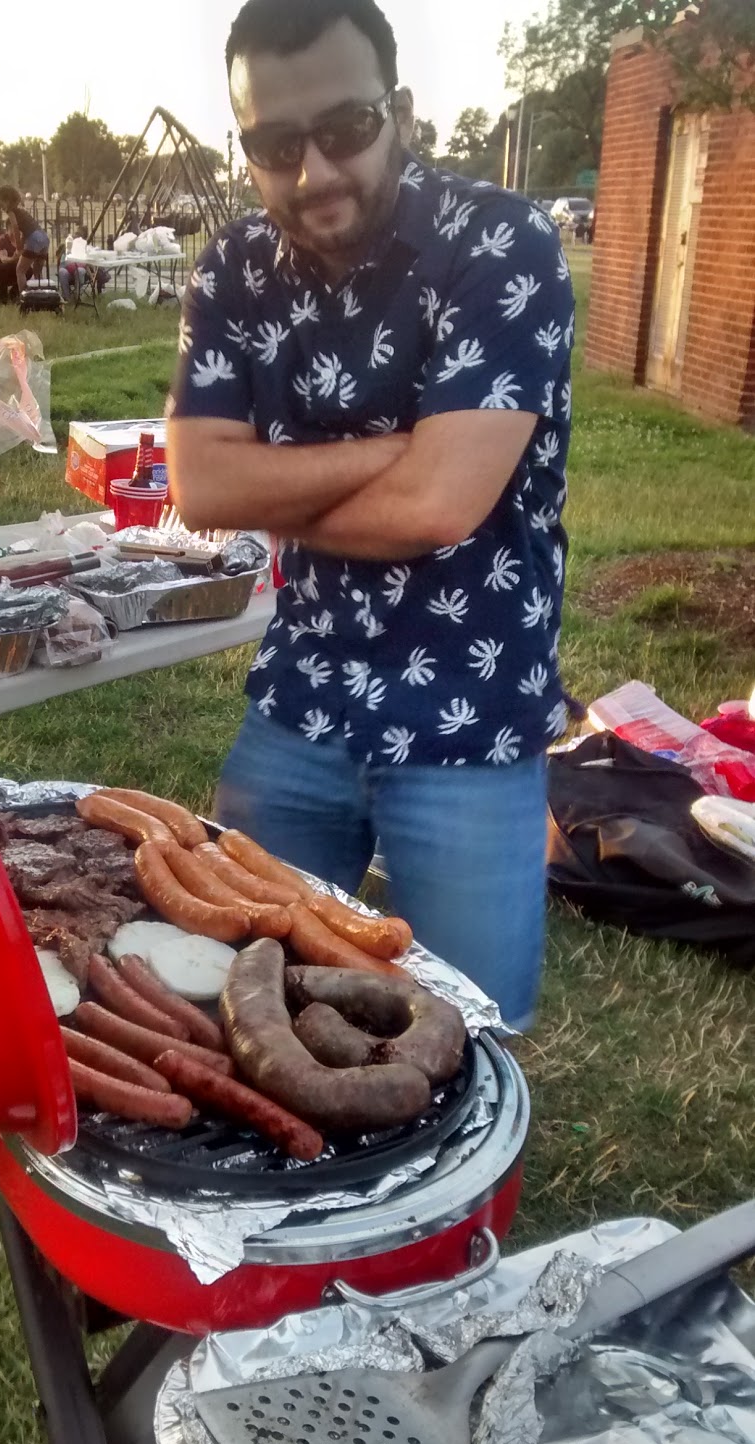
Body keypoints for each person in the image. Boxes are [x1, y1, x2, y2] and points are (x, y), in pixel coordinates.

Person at [167, 0, 575, 1028]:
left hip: (467, 718)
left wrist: (291, 480)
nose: (312, 174)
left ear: (396, 109)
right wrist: (407, 447)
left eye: (343, 130)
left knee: (463, 1030)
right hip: (301, 698)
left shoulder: (498, 244)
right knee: (245, 999)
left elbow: (439, 506)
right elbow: (202, 489)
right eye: (274, 144)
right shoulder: (233, 270)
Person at [0, 186, 49, 294]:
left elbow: (15, 227)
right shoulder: (22, 212)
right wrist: (22, 244)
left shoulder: (11, 212)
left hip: (34, 239)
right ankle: (44, 296)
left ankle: (24, 300)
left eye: (1, 202)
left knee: (20, 270)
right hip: (44, 238)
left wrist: (19, 247)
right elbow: (27, 231)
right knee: (37, 271)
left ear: (7, 201)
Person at [58, 224, 109, 302]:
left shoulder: (86, 248)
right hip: (68, 270)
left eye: (79, 235)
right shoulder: (68, 245)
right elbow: (62, 262)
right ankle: (66, 298)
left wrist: (92, 273)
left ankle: (77, 296)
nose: (76, 236)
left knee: (80, 271)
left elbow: (89, 263)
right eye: (76, 234)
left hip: (80, 272)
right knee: (62, 271)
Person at [0, 224, 20, 304]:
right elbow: (3, 259)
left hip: (12, 268)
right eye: (13, 229)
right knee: (6, 267)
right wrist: (14, 258)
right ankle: (3, 298)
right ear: (8, 229)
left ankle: (13, 293)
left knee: (28, 270)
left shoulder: (19, 241)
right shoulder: (2, 240)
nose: (15, 232)